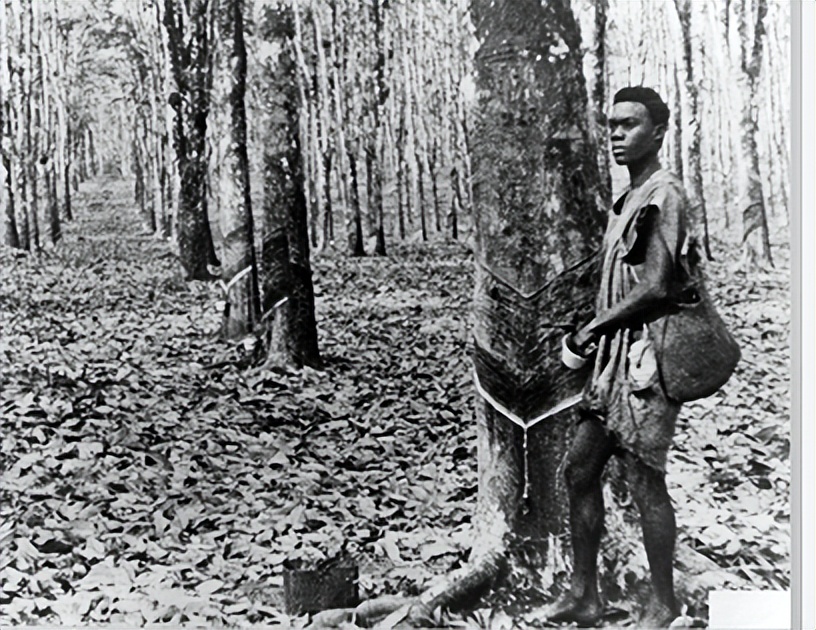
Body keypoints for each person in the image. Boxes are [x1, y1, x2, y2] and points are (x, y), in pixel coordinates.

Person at [548, 86, 695, 628]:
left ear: (658, 132)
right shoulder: (627, 198)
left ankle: (663, 603)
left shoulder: (664, 193)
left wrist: (589, 331)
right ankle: (584, 596)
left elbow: (657, 287)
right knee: (579, 471)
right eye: (610, 125)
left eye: (629, 125)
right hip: (611, 362)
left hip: (646, 360)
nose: (616, 134)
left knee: (643, 479)